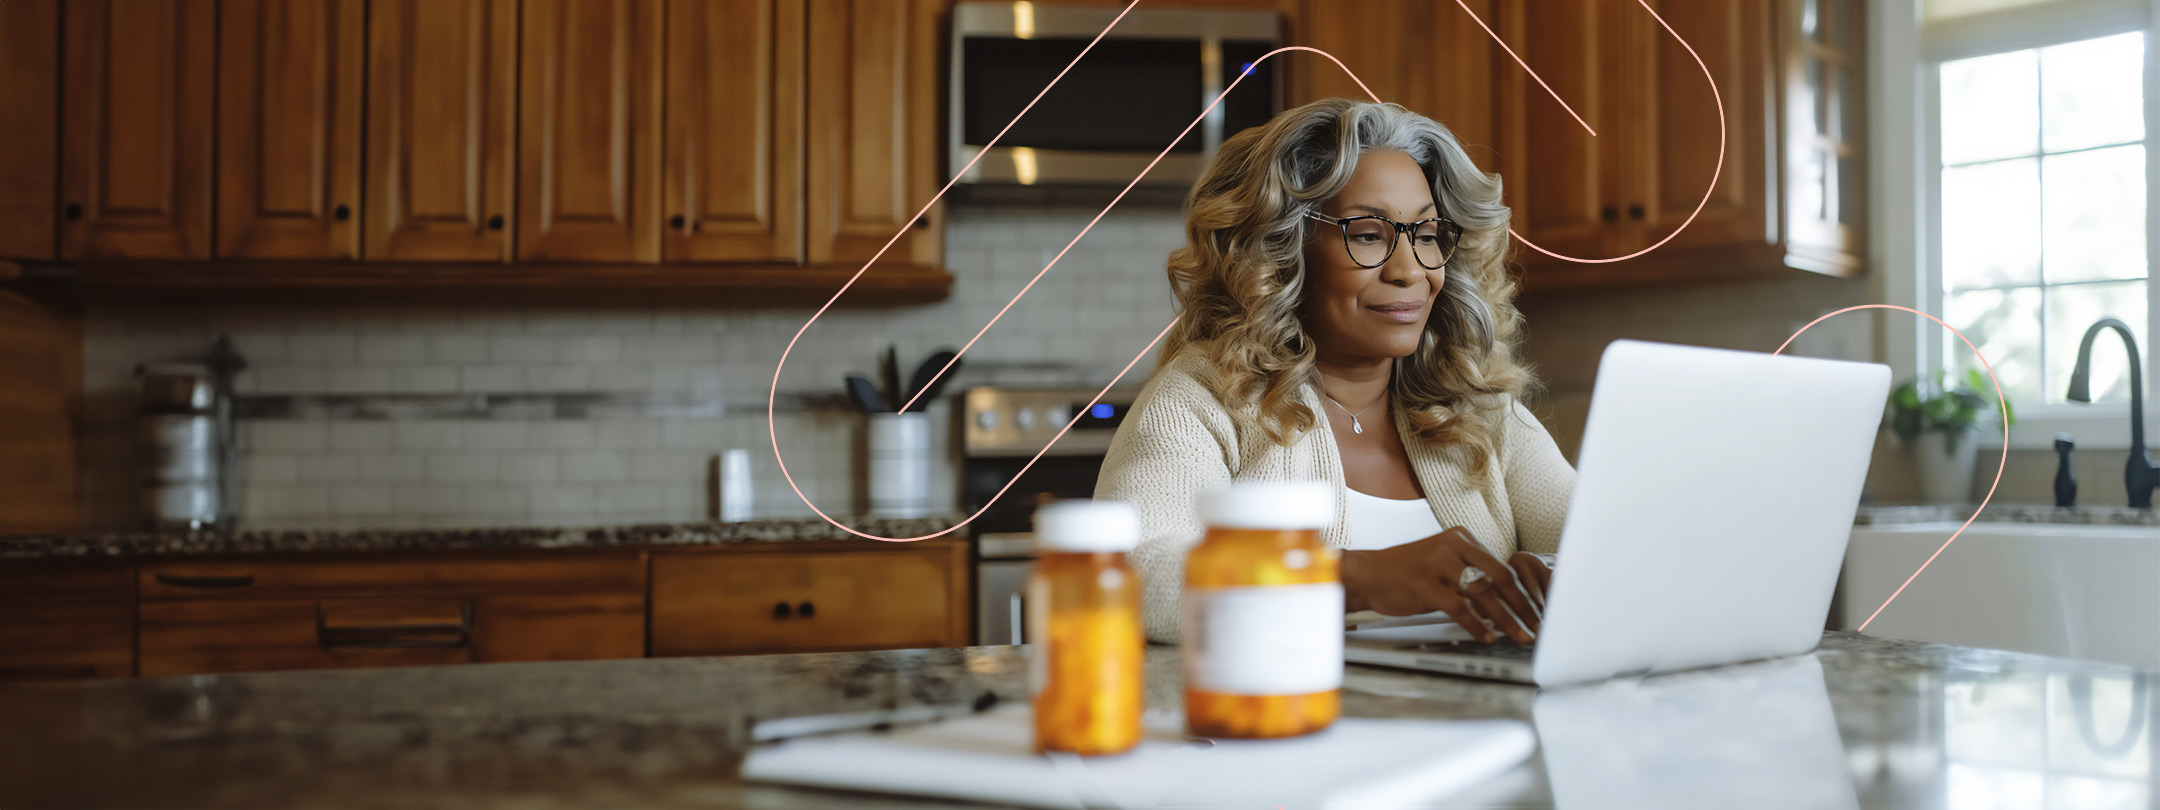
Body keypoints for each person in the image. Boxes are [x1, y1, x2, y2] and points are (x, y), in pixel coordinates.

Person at [1095, 98, 1575, 645]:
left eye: (1425, 234)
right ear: (1283, 249)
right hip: (1284, 723)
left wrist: (1559, 574)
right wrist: (1353, 577)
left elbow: (1603, 546)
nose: (1410, 270)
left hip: (1473, 725)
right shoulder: (1200, 401)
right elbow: (1129, 574)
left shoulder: (1478, 407)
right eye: (1368, 234)